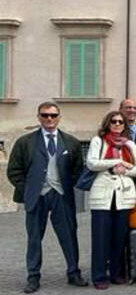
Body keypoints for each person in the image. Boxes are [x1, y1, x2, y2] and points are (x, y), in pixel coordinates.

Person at [7, 101, 89, 293]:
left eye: (53, 115)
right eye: (45, 115)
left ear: (59, 117)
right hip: (37, 197)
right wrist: (28, 190)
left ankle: (73, 273)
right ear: (38, 117)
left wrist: (70, 187)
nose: (49, 119)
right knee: (34, 238)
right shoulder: (25, 142)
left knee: (69, 236)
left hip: (62, 196)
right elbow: (13, 171)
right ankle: (33, 276)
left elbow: (78, 170)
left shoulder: (71, 142)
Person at [86, 111, 136, 289]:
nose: (117, 124)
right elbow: (92, 163)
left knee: (119, 237)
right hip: (102, 195)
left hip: (124, 195)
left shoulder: (130, 144)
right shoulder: (98, 140)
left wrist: (126, 169)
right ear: (107, 123)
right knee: (100, 239)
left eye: (121, 122)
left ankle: (117, 273)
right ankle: (99, 276)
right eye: (114, 121)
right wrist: (115, 161)